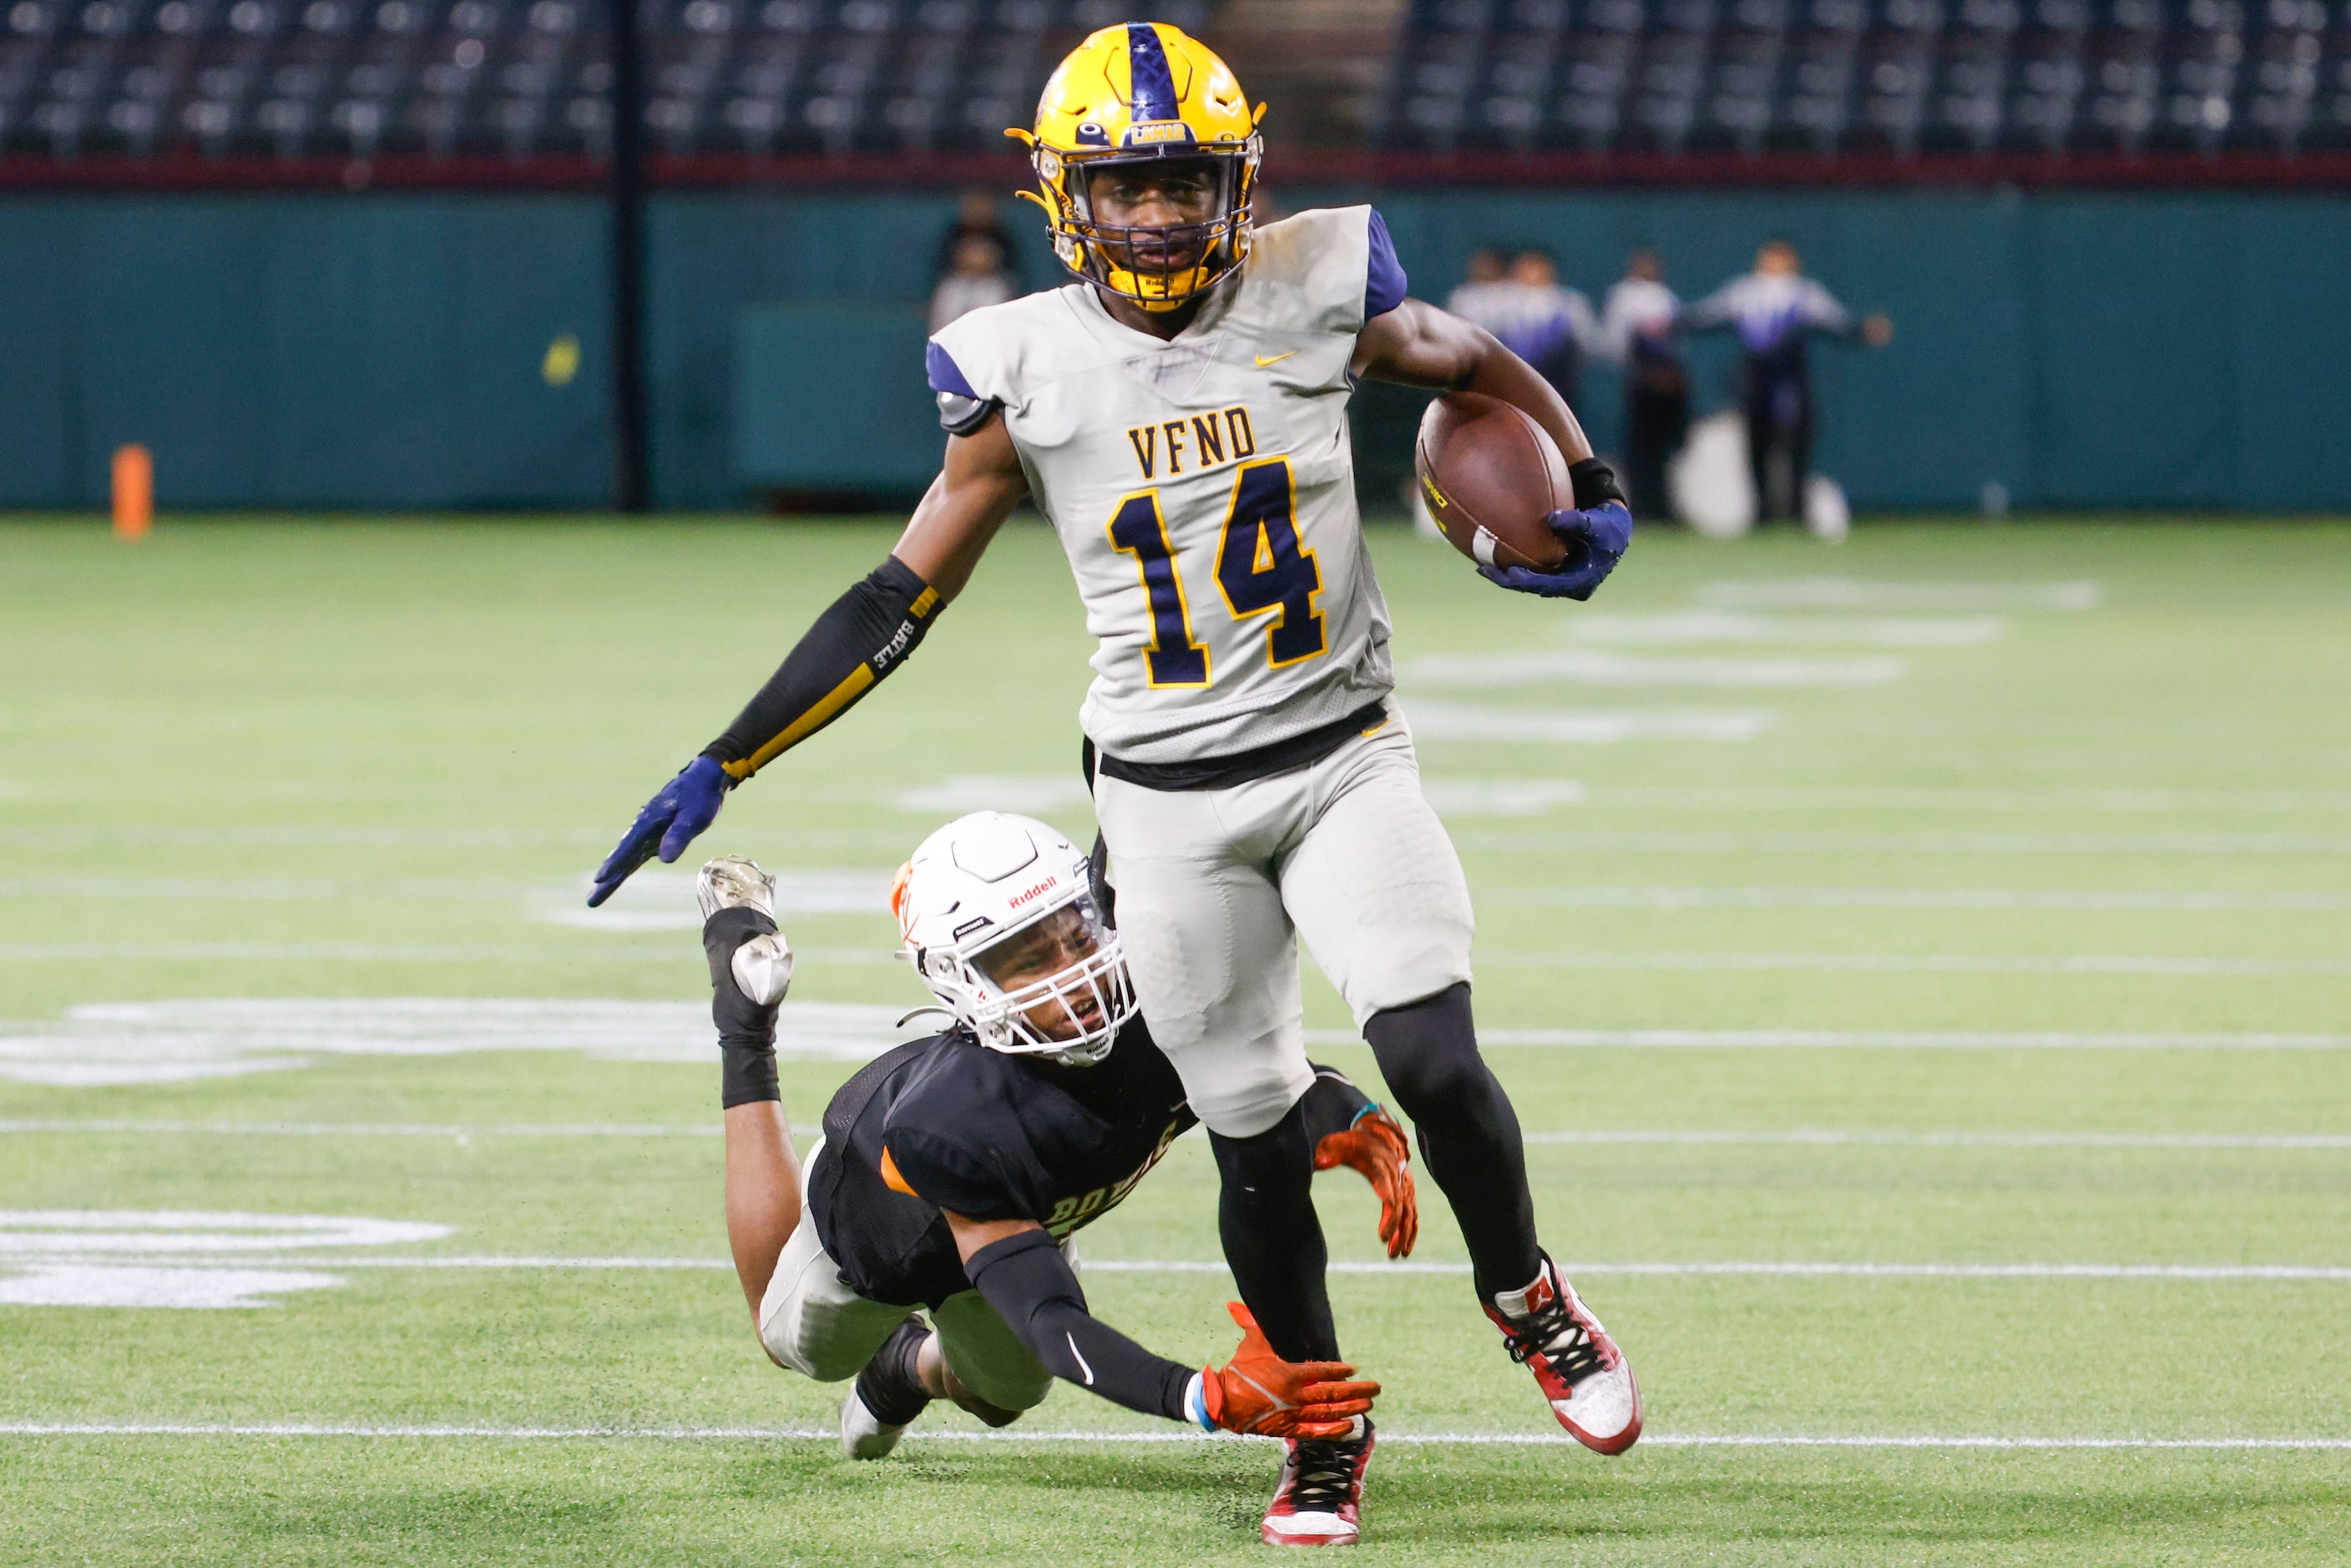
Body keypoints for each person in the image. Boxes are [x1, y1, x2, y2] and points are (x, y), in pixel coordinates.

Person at [588, 23, 1641, 1544]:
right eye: (1124, 185)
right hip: (1163, 803)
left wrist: (1584, 482)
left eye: (1181, 182)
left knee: (1430, 1047)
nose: (1153, 213)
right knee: (1253, 1133)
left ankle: (1527, 1294)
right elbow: (900, 595)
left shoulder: (1322, 282)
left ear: (1238, 181)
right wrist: (730, 750)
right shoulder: (1015, 363)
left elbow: (1479, 366)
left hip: (1341, 750)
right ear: (1063, 194)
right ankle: (1321, 1424)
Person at [700, 822, 1411, 1545]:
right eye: (1028, 961)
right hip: (878, 1233)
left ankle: (903, 1370)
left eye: (1075, 936)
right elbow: (1049, 1320)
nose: (1073, 976)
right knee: (797, 1348)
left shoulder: (1163, 1004)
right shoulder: (950, 1122)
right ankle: (747, 1026)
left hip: (1013, 1236)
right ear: (964, 981)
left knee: (1001, 1401)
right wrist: (1200, 1395)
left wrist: (1339, 1111)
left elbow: (1270, 1084)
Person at [1678, 238, 1893, 524]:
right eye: (1769, 257)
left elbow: (1836, 323)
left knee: (1797, 445)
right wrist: (1676, 321)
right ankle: (1762, 511)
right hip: (1757, 380)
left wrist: (1861, 332)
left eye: (1781, 258)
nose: (1774, 263)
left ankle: (1796, 510)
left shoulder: (1803, 292)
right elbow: (1706, 316)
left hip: (1790, 379)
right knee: (1758, 445)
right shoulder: (1746, 291)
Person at [1600, 248, 1686, 523]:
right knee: (1640, 449)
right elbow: (1616, 343)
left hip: (1666, 387)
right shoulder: (1624, 296)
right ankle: (1641, 506)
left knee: (1663, 450)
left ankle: (1662, 507)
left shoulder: (1666, 297)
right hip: (1642, 383)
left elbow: (1675, 345)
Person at [929, 230, 1017, 333]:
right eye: (971, 252)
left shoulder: (1000, 288)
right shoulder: (949, 288)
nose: (975, 258)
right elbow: (940, 326)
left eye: (981, 252)